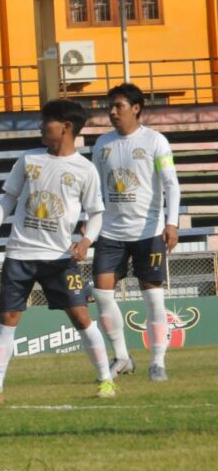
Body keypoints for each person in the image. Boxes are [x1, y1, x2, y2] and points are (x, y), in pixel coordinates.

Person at [0, 99, 114, 406]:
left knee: (80, 316)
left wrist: (86, 241)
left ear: (66, 127)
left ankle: (106, 380)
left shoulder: (85, 170)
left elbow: (96, 213)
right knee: (7, 317)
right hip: (20, 254)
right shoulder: (28, 159)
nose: (41, 126)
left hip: (60, 259)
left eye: (46, 121)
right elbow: (9, 197)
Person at [91, 83, 180, 382]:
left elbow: (171, 184)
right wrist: (90, 219)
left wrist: (171, 222)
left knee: (153, 298)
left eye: (118, 106)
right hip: (111, 232)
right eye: (110, 107)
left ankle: (158, 362)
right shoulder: (102, 144)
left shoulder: (155, 141)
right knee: (101, 293)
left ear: (136, 108)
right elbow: (94, 189)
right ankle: (122, 357)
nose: (112, 112)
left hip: (149, 231)